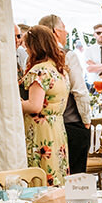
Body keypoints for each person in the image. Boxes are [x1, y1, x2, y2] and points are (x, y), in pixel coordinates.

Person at [39, 14, 91, 174]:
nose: (67, 32)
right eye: (63, 28)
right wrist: (87, 120)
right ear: (55, 32)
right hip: (72, 123)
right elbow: (79, 91)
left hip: (48, 127)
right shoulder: (67, 55)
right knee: (76, 176)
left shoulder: (37, 59)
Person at [20, 26, 70, 186]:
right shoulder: (59, 70)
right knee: (56, 173)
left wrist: (15, 104)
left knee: (41, 178)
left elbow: (35, 106)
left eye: (27, 46)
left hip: (40, 131)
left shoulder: (39, 71)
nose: (25, 50)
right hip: (57, 127)